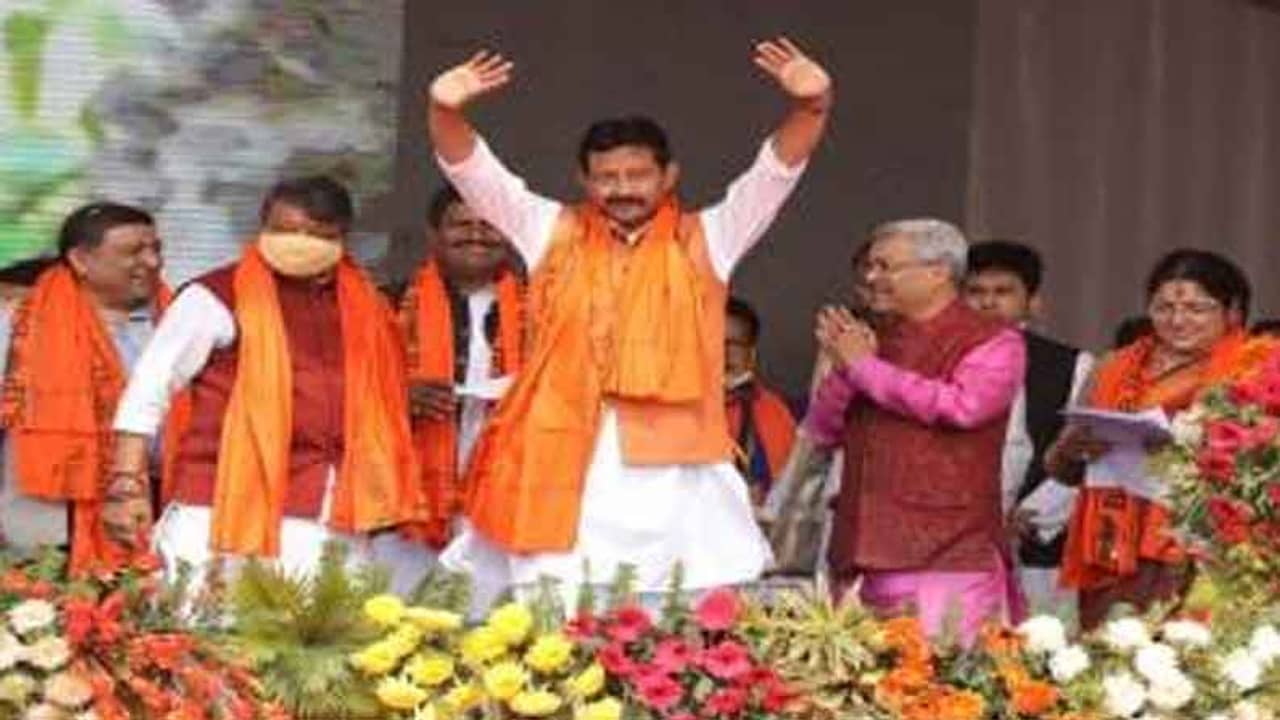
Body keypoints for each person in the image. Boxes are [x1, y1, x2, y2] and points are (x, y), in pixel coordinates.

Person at [426, 37, 832, 602]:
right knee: (555, 609)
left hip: (673, 467)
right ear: (584, 181)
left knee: (673, 612)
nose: (621, 190)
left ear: (668, 176)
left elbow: (774, 175)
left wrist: (811, 107)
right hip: (561, 454)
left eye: (637, 175)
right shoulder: (549, 230)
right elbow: (476, 175)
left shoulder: (710, 236)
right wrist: (444, 111)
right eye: (607, 178)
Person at [106, 177, 425, 584]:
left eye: (316, 234)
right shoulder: (214, 296)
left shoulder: (369, 305)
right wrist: (126, 485)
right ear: (262, 228)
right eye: (285, 231)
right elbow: (149, 388)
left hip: (330, 510)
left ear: (341, 237)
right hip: (220, 505)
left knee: (326, 624)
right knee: (205, 623)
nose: (298, 244)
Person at [804, 219, 1025, 644]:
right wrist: (846, 369)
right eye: (870, 267)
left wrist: (865, 368)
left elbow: (965, 407)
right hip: (861, 551)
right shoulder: (870, 338)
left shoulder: (993, 341)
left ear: (938, 272)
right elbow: (823, 429)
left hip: (947, 555)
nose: (872, 278)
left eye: (885, 267)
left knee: (940, 678)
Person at [1050, 249, 1270, 629]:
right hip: (1113, 552)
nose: (1178, 320)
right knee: (1113, 655)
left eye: (1196, 309)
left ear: (1233, 311)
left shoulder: (1255, 371)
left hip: (1210, 554)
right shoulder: (1112, 367)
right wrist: (1070, 450)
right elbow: (1060, 468)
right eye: (1164, 308)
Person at [376, 184, 525, 597]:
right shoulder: (386, 304)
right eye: (461, 225)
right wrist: (401, 398)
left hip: (505, 493)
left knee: (492, 622)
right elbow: (353, 392)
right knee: (394, 615)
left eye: (489, 224)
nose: (476, 235)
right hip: (407, 499)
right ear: (434, 233)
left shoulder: (543, 308)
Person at [0, 204, 166, 573]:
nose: (152, 262)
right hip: (42, 530)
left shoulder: (176, 321)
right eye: (134, 251)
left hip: (153, 521)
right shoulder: (20, 324)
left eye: (157, 249)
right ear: (80, 260)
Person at [964, 240, 1093, 626]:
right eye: (975, 292)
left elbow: (1084, 453)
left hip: (1037, 543)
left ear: (1033, 302)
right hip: (958, 539)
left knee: (1039, 644)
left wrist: (1034, 514)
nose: (988, 303)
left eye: (1003, 291)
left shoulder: (1072, 364)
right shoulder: (938, 360)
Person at [724, 297, 797, 507]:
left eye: (736, 344)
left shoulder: (774, 411)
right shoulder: (680, 410)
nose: (725, 353)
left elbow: (789, 492)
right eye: (715, 341)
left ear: (752, 352)